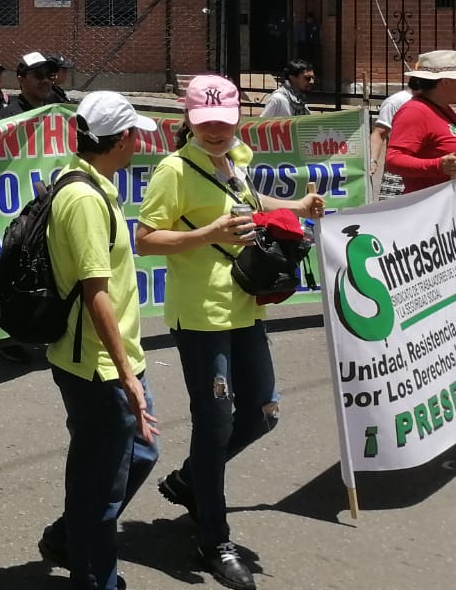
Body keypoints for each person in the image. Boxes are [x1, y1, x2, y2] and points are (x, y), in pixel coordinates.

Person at [136, 75, 326, 590]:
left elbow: (245, 199)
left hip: (245, 303)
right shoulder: (173, 170)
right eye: (206, 122)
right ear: (189, 120)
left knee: (264, 412)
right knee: (215, 422)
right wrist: (207, 234)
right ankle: (213, 536)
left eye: (224, 120)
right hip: (200, 314)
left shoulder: (236, 157)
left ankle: (190, 480)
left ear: (238, 116)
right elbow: (145, 239)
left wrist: (294, 210)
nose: (217, 130)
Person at [37, 92, 161, 590]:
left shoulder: (92, 183)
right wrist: (127, 375)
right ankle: (95, 577)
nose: (139, 144)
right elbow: (96, 295)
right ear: (124, 139)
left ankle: (71, 534)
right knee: (103, 484)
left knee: (140, 454)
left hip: (114, 359)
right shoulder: (85, 198)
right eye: (136, 136)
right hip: (98, 366)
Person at [385, 50, 456, 253]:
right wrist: (437, 166)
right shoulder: (415, 112)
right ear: (445, 82)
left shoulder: (443, 108)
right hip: (442, 219)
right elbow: (393, 159)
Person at [369, 82, 417, 195]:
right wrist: (373, 160)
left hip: (428, 171)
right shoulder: (396, 101)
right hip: (397, 174)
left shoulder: (440, 102)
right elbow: (380, 133)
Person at [1, 51, 61, 118]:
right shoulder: (7, 119)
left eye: (50, 76)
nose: (46, 80)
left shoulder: (57, 114)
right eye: (39, 75)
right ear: (21, 80)